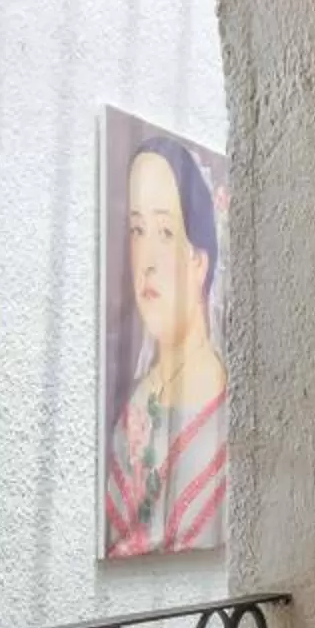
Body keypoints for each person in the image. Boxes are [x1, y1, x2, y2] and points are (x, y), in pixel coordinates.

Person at [104, 137, 229, 556]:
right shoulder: (131, 406)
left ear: (199, 260)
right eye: (138, 230)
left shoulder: (228, 412)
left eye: (166, 231)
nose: (148, 260)